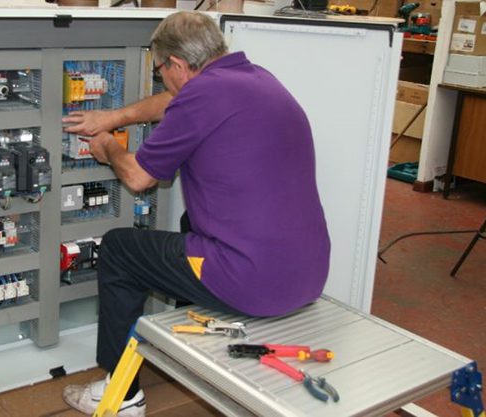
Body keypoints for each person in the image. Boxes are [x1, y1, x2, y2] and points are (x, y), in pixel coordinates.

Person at [61, 11, 330, 417]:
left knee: (119, 250)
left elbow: (137, 178)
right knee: (191, 225)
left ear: (177, 64)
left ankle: (121, 394)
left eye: (160, 71)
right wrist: (115, 116)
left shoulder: (202, 95)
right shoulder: (257, 80)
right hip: (307, 274)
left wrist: (109, 146)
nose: (163, 80)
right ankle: (191, 346)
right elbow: (177, 100)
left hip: (255, 282)